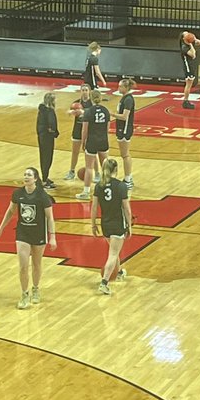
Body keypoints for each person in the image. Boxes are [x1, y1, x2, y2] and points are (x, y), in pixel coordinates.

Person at [0, 167, 56, 309]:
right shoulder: (18, 194)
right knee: (22, 266)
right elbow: (10, 212)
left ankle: (35, 288)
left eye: (29, 175)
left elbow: (50, 218)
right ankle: (24, 293)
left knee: (36, 264)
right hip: (23, 233)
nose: (26, 177)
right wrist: (1, 228)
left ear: (35, 179)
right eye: (25, 174)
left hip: (39, 233)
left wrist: (52, 237)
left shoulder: (42, 196)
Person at [90, 158, 132, 295]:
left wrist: (93, 224)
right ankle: (104, 283)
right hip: (117, 223)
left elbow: (94, 208)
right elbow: (127, 209)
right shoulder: (121, 186)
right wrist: (129, 225)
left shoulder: (99, 186)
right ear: (116, 170)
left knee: (114, 250)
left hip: (105, 224)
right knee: (113, 253)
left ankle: (119, 272)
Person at [76, 89, 112, 201]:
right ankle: (109, 188)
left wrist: (83, 142)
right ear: (100, 98)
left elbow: (84, 130)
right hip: (103, 140)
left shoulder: (89, 111)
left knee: (89, 167)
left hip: (92, 140)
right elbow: (107, 129)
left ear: (91, 98)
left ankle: (86, 192)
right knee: (105, 166)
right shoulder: (106, 111)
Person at [64, 84, 95, 181]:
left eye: (86, 90)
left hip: (89, 131)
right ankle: (72, 171)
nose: (84, 92)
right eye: (83, 90)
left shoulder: (93, 103)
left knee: (91, 153)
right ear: (80, 91)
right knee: (75, 152)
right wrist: (70, 112)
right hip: (77, 130)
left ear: (89, 91)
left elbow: (93, 114)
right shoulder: (76, 103)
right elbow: (68, 111)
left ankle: (97, 173)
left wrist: (83, 112)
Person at [112, 77, 136, 189]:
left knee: (125, 154)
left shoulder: (128, 100)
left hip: (125, 129)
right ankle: (128, 178)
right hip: (121, 128)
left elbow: (124, 117)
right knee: (124, 154)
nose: (118, 87)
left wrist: (112, 114)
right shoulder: (124, 98)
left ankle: (128, 179)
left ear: (126, 88)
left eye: (121, 86)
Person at [35, 92, 59, 190]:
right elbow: (51, 125)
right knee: (47, 158)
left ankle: (45, 177)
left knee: (43, 156)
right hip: (47, 137)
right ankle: (44, 181)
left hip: (42, 136)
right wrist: (55, 133)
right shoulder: (49, 111)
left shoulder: (42, 110)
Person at [178, 31, 200, 109]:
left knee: (190, 84)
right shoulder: (184, 47)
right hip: (188, 66)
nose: (188, 34)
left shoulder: (189, 42)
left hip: (192, 65)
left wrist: (194, 39)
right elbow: (193, 55)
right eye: (186, 34)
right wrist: (191, 44)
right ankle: (185, 101)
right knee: (188, 84)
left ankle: (186, 100)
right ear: (183, 38)